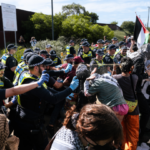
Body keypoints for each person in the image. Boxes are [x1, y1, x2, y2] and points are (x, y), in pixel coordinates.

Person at [13, 55, 79, 150]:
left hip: (24, 118)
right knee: (45, 147)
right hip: (31, 123)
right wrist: (70, 89)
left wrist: (63, 93)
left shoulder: (27, 75)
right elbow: (53, 99)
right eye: (43, 66)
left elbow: (47, 89)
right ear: (36, 67)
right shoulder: (32, 83)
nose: (45, 69)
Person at [50, 104, 123, 150]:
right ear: (90, 139)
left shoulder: (73, 124)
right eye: (107, 141)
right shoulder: (69, 147)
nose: (109, 143)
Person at [113, 57, 139, 150]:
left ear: (121, 66)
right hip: (133, 109)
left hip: (121, 108)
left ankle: (123, 147)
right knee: (133, 132)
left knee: (122, 131)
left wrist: (114, 69)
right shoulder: (135, 77)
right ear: (131, 67)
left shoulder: (115, 78)